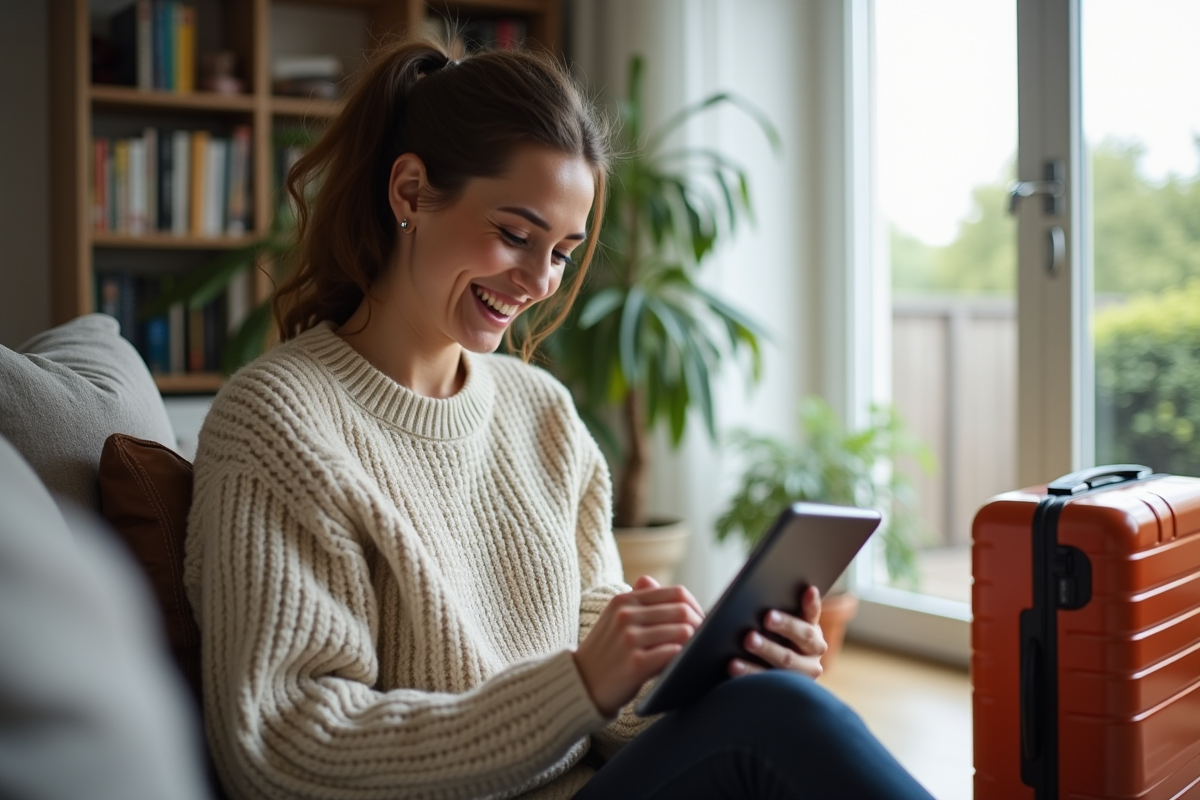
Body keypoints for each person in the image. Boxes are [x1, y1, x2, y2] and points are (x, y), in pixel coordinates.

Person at [184, 35, 936, 800]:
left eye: (564, 251)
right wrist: (577, 685)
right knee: (775, 723)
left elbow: (612, 706)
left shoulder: (540, 412)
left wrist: (723, 673)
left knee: (775, 702)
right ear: (409, 192)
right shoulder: (278, 421)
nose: (540, 281)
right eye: (515, 234)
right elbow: (284, 745)